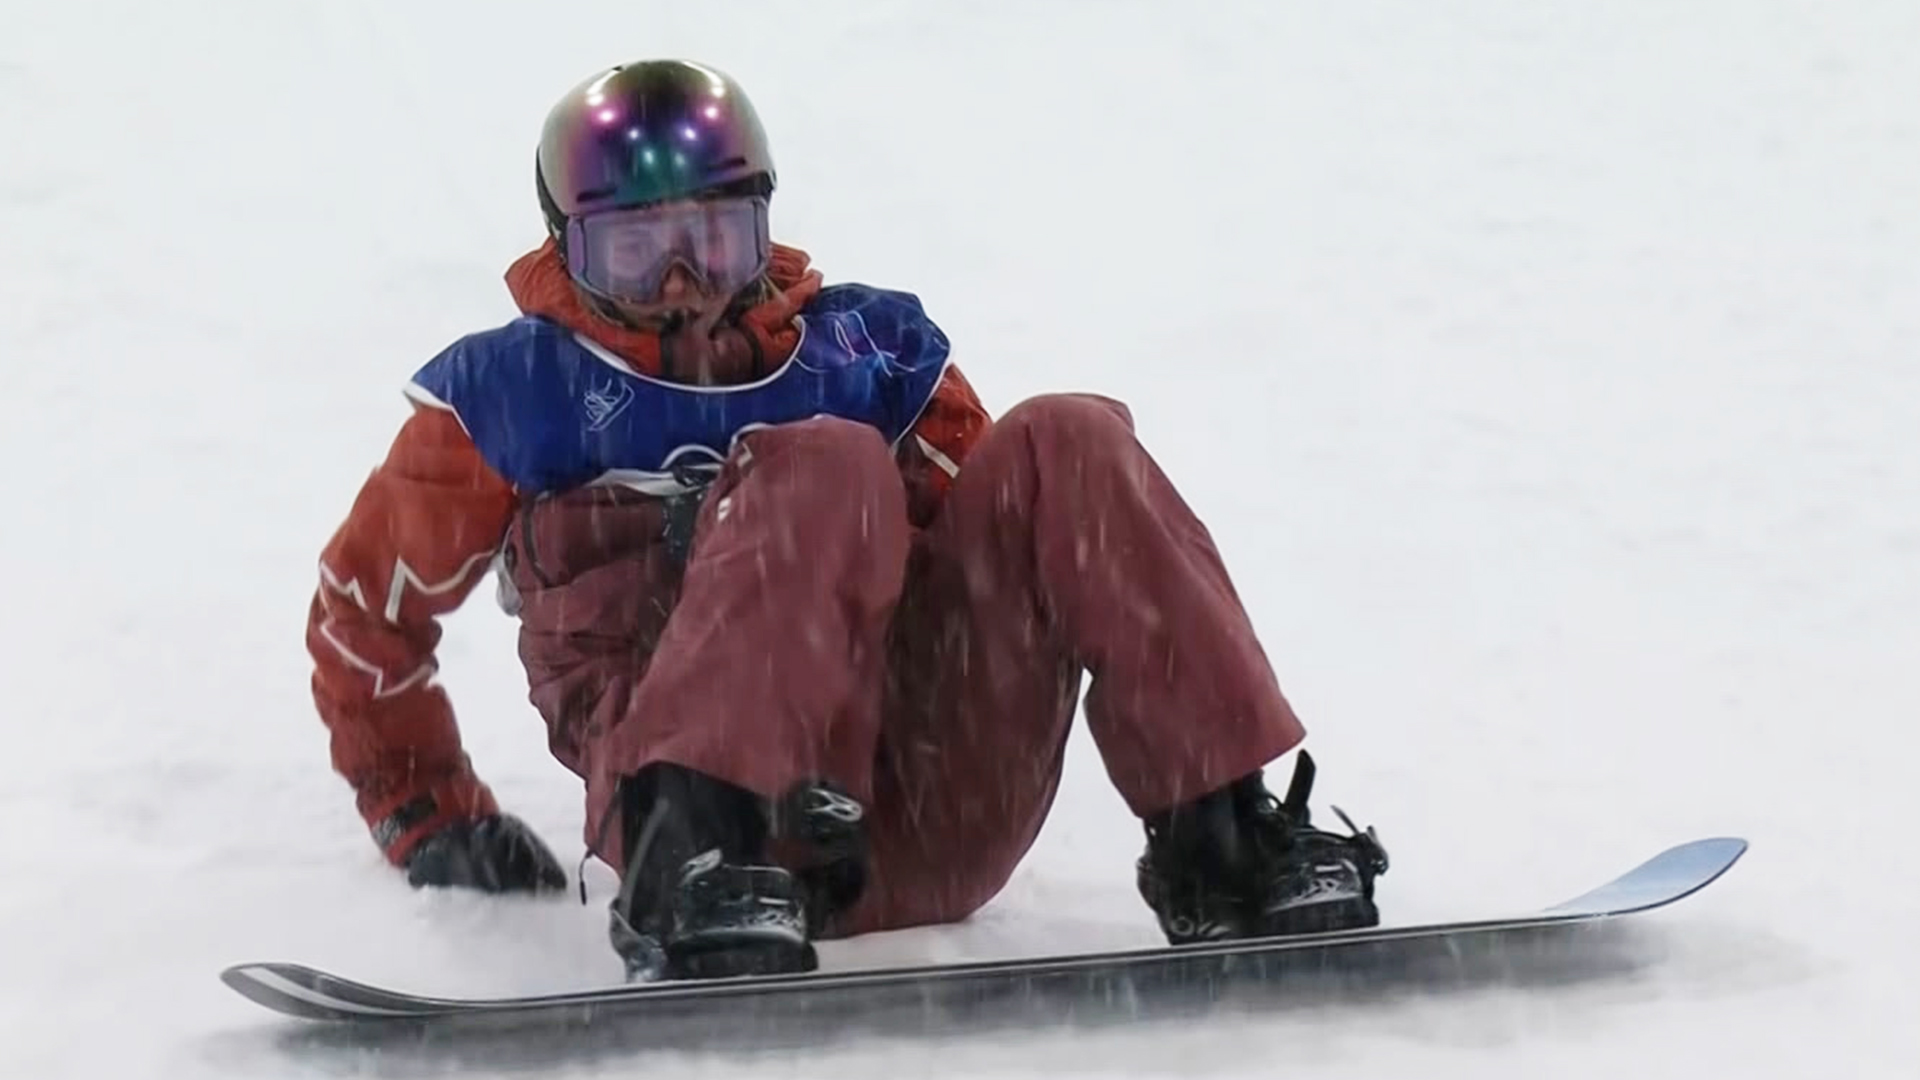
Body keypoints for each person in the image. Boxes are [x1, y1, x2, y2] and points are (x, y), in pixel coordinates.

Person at [305, 58, 1388, 983]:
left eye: (716, 242)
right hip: (692, 826)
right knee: (822, 463)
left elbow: (1042, 545)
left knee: (1064, 437)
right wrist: (427, 811)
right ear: (568, 248)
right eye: (638, 254)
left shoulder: (862, 357)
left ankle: (1226, 838)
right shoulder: (514, 396)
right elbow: (366, 611)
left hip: (929, 795)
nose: (684, 286)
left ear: (764, 226)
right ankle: (701, 861)